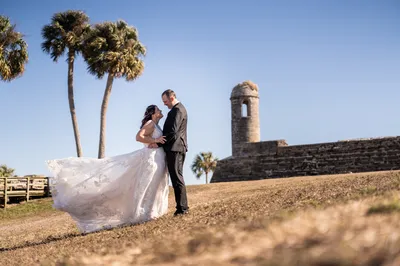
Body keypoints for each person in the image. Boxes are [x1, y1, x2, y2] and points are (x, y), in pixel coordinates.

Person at [46, 105, 169, 233]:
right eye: (158, 110)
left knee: (153, 185)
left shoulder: (156, 124)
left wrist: (154, 141)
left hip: (157, 157)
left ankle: (150, 211)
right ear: (153, 113)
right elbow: (138, 137)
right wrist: (155, 140)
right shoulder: (150, 123)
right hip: (151, 158)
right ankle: (146, 213)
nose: (160, 111)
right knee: (148, 185)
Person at [149, 89, 189, 216]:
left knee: (177, 178)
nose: (164, 104)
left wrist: (158, 143)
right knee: (177, 177)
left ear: (172, 98)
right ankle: (182, 207)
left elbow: (173, 132)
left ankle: (182, 209)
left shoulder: (177, 110)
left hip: (175, 148)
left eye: (165, 101)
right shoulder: (177, 109)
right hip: (176, 148)